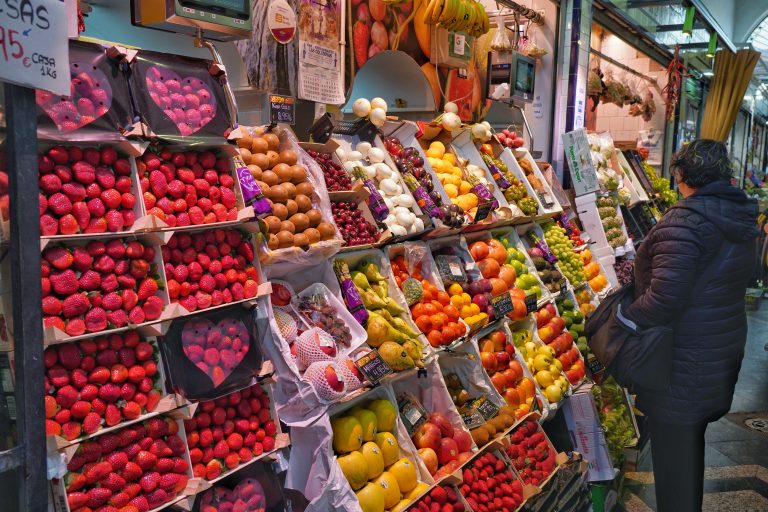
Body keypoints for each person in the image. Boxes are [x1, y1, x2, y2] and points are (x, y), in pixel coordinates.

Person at [623, 139, 758, 511]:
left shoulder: (686, 220)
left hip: (682, 358)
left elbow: (664, 299)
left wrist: (623, 320)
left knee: (675, 458)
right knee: (687, 446)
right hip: (719, 346)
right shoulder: (741, 216)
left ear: (681, 174)